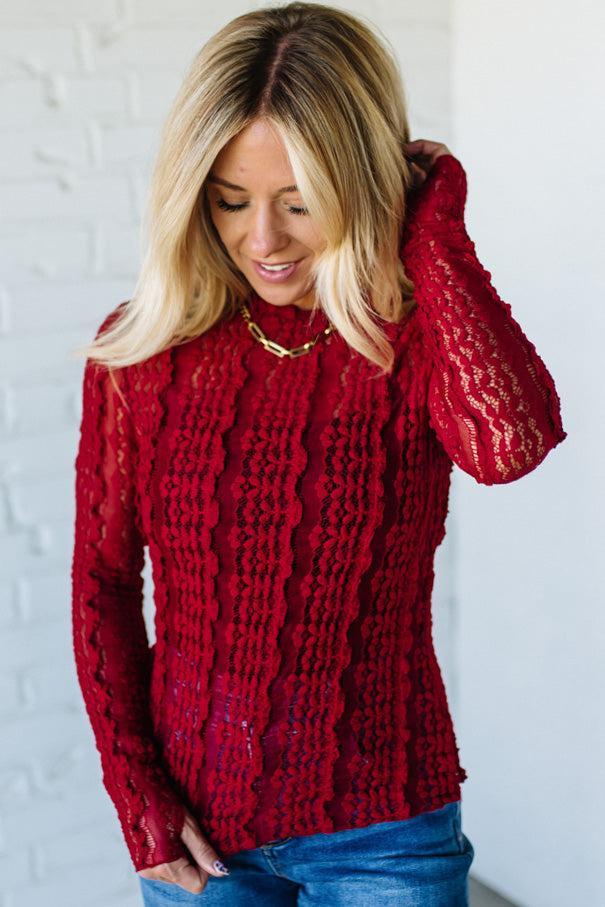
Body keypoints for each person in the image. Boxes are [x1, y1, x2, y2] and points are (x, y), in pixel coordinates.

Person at [70, 3, 567, 905]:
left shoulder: (408, 341)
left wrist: (435, 229)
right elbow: (101, 578)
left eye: (300, 201)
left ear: (366, 182)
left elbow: (510, 446)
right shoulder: (140, 354)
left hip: (386, 834)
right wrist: (131, 787)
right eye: (230, 200)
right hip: (197, 840)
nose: (263, 239)